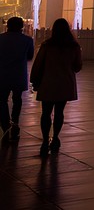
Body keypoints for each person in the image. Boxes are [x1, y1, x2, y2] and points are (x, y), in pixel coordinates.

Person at [29, 18, 82, 157]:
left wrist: (34, 80)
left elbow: (38, 64)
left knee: (46, 113)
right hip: (65, 84)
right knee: (59, 112)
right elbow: (78, 67)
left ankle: (45, 140)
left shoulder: (47, 46)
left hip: (48, 83)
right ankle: (56, 137)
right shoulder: (74, 46)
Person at [0, 16, 34, 144]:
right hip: (18, 75)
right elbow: (30, 57)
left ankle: (5, 125)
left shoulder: (1, 39)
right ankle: (15, 123)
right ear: (21, 27)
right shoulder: (27, 40)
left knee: (2, 100)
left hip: (2, 75)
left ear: (7, 26)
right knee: (17, 100)